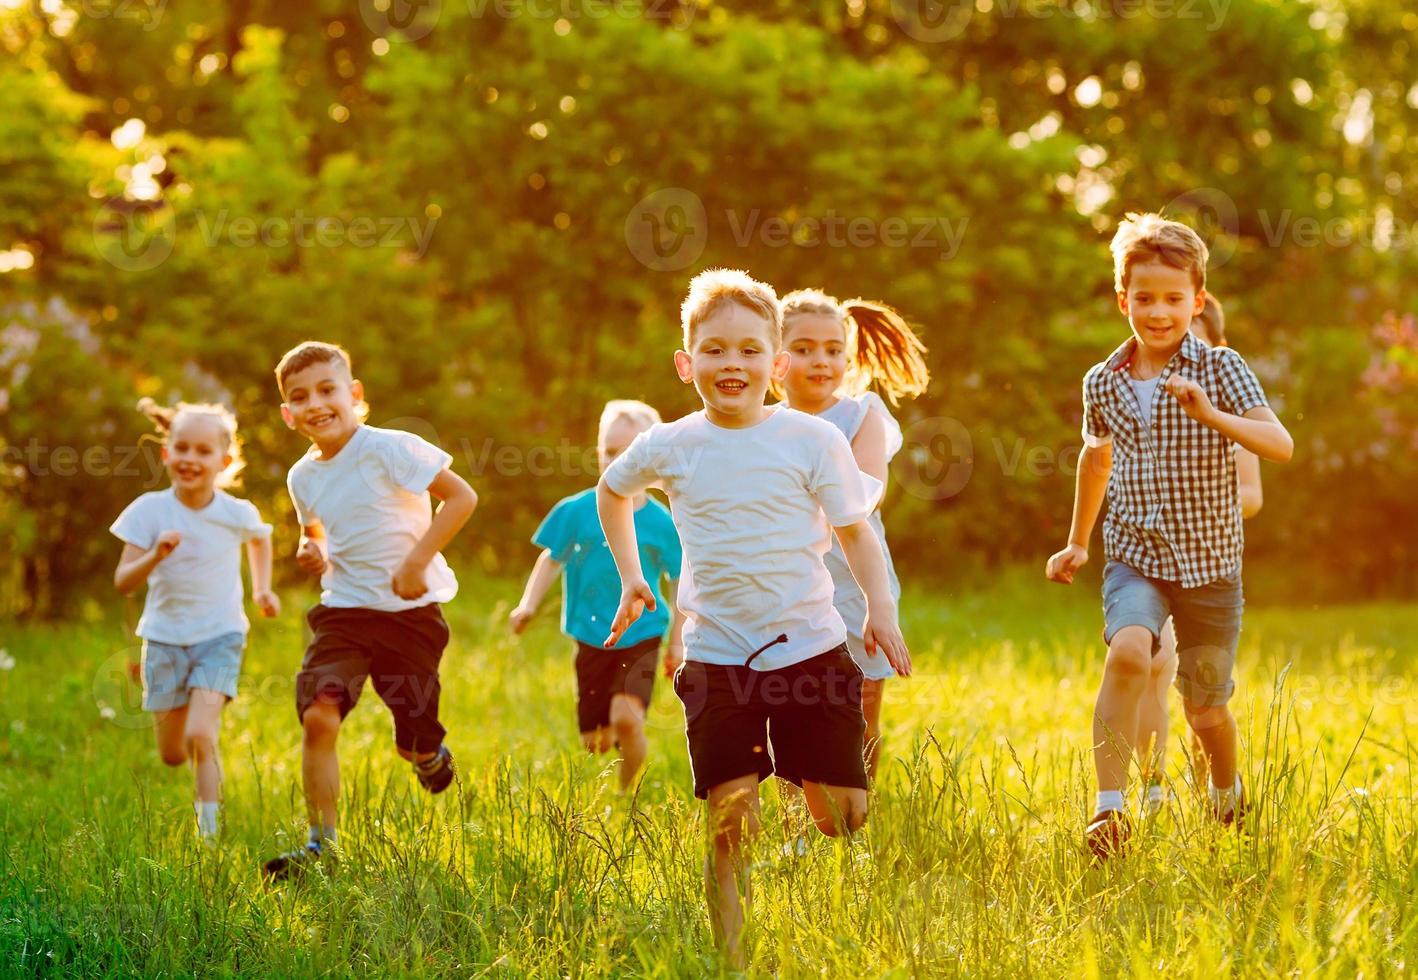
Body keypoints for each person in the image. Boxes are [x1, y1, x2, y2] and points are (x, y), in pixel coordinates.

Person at [597, 268, 910, 966]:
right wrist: (632, 577)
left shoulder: (812, 440)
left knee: (842, 818)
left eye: (747, 351)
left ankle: (800, 766)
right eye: (714, 350)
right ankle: (731, 960)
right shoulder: (671, 444)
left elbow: (856, 529)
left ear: (776, 364)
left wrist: (879, 613)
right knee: (729, 817)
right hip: (717, 655)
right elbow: (611, 491)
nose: (730, 364)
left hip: (812, 649)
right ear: (686, 363)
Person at [1045, 214, 1293, 862]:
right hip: (1136, 555)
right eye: (1145, 298)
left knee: (1205, 710)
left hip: (1210, 566)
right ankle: (1109, 808)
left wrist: (1210, 414)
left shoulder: (1222, 368)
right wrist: (1078, 541)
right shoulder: (1103, 381)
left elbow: (1280, 444)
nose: (1159, 312)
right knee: (1129, 652)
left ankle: (1225, 788)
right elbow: (1094, 459)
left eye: (1174, 299)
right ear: (1123, 300)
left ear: (1197, 301)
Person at [261, 341, 477, 879]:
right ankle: (320, 847)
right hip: (344, 613)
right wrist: (314, 552)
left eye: (327, 390)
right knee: (318, 714)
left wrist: (415, 560)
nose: (316, 404)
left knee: (414, 735)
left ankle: (427, 752)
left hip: (410, 614)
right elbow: (316, 532)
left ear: (354, 394)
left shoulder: (390, 448)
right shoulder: (302, 477)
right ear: (289, 415)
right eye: (300, 397)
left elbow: (462, 498)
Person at [111, 398, 279, 842]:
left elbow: (261, 540)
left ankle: (208, 837)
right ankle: (193, 775)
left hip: (221, 636)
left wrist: (262, 588)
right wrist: (155, 555)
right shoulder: (148, 511)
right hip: (164, 640)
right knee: (171, 753)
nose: (190, 459)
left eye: (203, 452)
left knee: (202, 734)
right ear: (167, 453)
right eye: (181, 448)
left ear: (224, 462)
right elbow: (123, 582)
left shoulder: (236, 512)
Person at [509, 399, 685, 792]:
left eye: (628, 452)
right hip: (590, 632)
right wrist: (528, 605)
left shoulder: (662, 521)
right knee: (595, 742)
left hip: (642, 633)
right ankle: (610, 758)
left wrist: (677, 640)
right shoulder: (576, 510)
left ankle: (628, 795)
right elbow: (551, 559)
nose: (617, 460)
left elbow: (678, 581)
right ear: (597, 453)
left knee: (627, 718)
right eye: (609, 451)